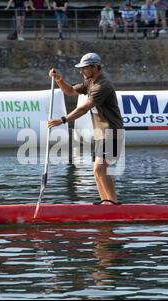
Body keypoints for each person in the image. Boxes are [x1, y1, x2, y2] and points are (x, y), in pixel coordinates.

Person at [47, 53, 125, 205]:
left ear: (95, 67)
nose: (81, 72)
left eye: (84, 69)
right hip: (101, 133)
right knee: (97, 171)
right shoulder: (89, 82)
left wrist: (62, 120)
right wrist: (59, 79)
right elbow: (70, 91)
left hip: (112, 132)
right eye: (80, 69)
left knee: (99, 168)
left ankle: (112, 204)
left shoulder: (103, 85)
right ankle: (106, 203)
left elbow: (83, 109)